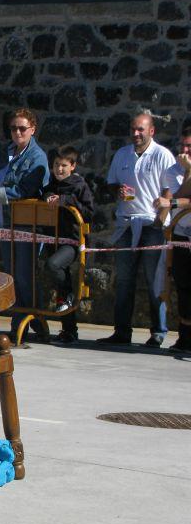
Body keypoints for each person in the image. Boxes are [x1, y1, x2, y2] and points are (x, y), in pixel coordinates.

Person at [98, 111, 177, 347]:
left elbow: (169, 190)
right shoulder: (122, 154)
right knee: (124, 280)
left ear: (151, 131)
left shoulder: (162, 155)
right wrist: (118, 191)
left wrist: (159, 221)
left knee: (154, 280)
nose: (136, 133)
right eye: (133, 129)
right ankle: (122, 332)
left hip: (152, 225)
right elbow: (111, 183)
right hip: (127, 224)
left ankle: (158, 332)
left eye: (140, 129)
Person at [0, 108, 49, 340]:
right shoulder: (7, 152)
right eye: (13, 128)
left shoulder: (37, 157)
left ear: (32, 129)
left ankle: (25, 322)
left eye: (22, 128)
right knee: (11, 275)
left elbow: (24, 189)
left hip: (25, 224)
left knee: (24, 276)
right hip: (4, 222)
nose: (17, 132)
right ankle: (30, 320)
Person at [41, 146, 95, 344]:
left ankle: (68, 297)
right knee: (61, 281)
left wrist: (65, 200)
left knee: (53, 265)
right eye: (56, 165)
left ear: (73, 166)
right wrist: (46, 196)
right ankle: (69, 330)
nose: (59, 169)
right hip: (53, 238)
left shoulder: (80, 186)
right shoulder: (51, 184)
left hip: (72, 241)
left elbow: (89, 212)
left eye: (64, 165)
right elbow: (44, 194)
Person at [155, 125, 191, 353]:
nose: (184, 151)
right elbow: (179, 198)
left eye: (189, 146)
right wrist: (188, 172)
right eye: (183, 146)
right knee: (183, 285)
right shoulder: (173, 170)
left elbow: (175, 202)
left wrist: (172, 202)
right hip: (180, 233)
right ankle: (185, 337)